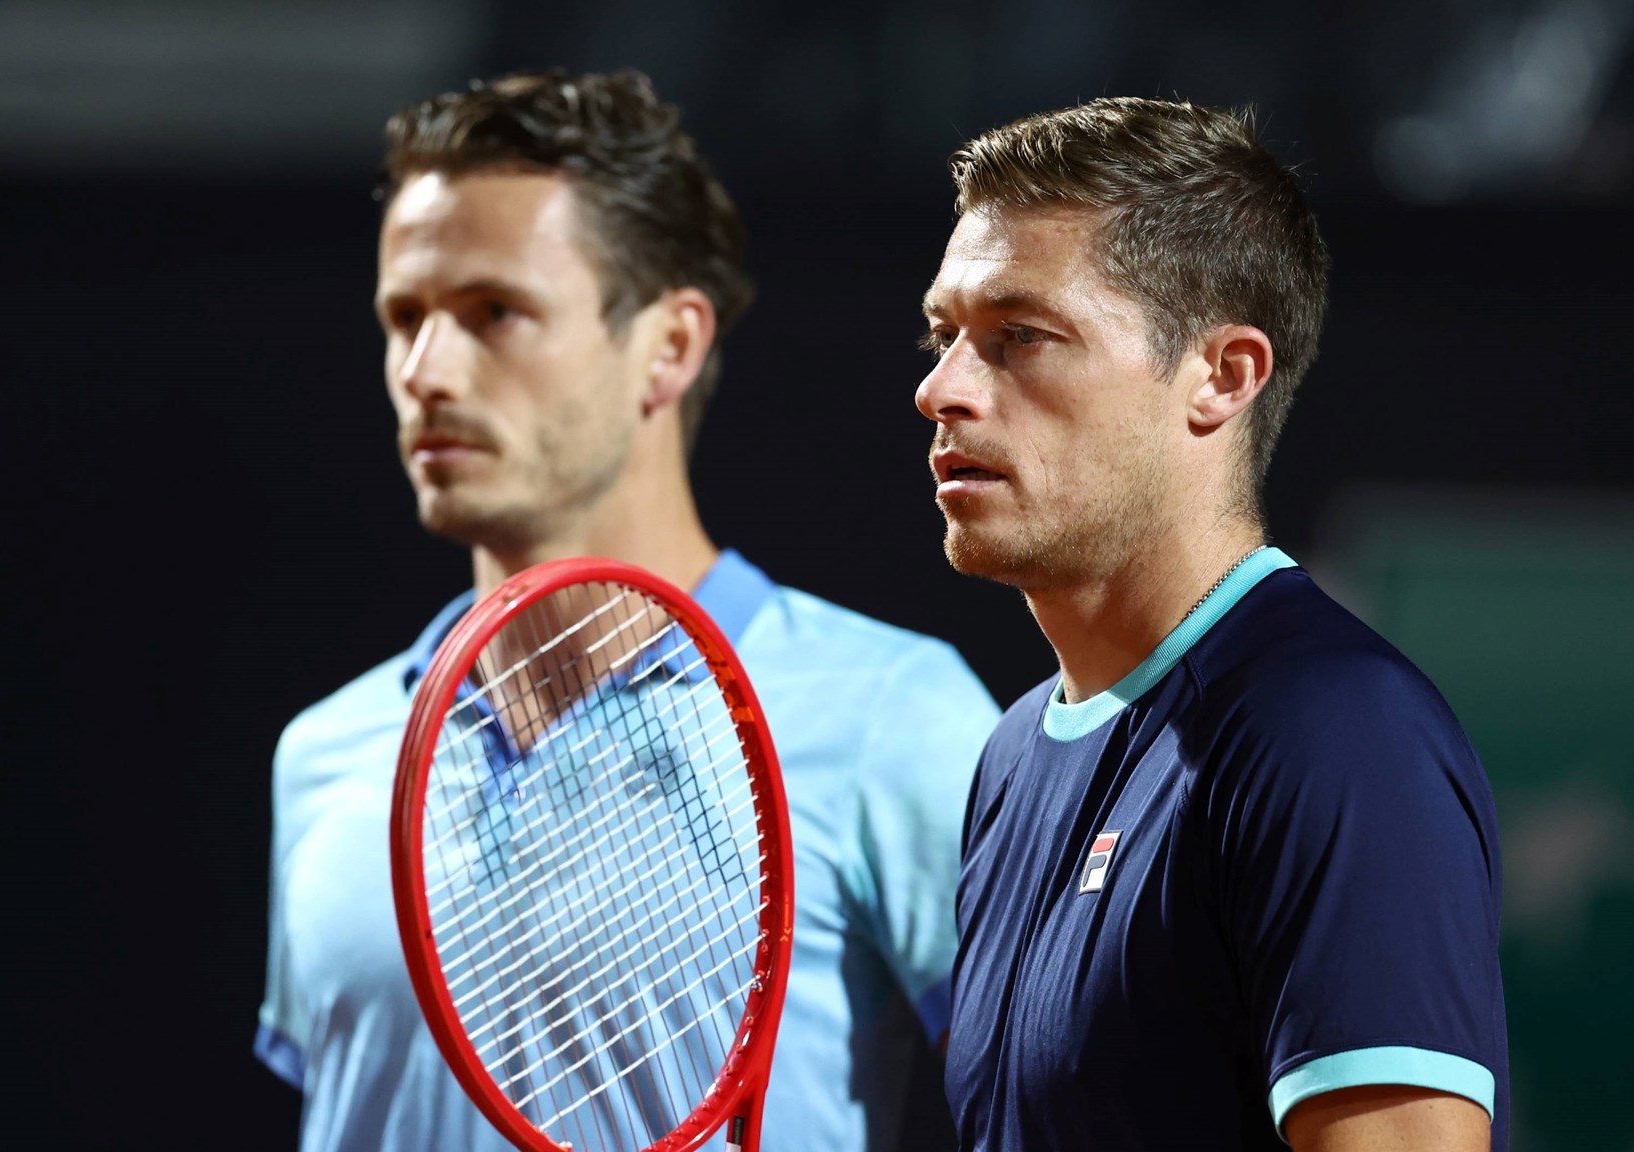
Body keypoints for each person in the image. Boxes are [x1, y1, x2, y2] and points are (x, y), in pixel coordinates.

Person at [256, 69, 999, 1152]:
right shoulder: (323, 754)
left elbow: (1077, 1104)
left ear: (668, 345)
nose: (425, 369)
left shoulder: (896, 715)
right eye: (403, 317)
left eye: (493, 312)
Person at [916, 98, 1509, 1152]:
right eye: (945, 335)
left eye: (1020, 338)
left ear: (1221, 377)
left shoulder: (1333, 733)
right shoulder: (1011, 754)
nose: (941, 389)